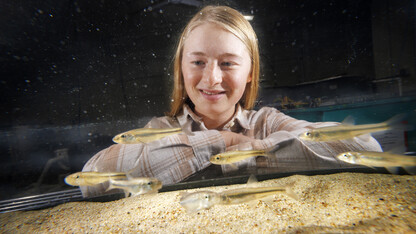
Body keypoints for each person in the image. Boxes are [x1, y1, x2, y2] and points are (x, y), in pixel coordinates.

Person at [81, 5, 381, 197]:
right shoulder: (160, 129)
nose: (211, 79)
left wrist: (248, 149)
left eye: (227, 64)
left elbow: (364, 147)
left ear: (251, 72)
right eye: (198, 62)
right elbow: (89, 180)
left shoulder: (266, 122)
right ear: (181, 70)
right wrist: (221, 142)